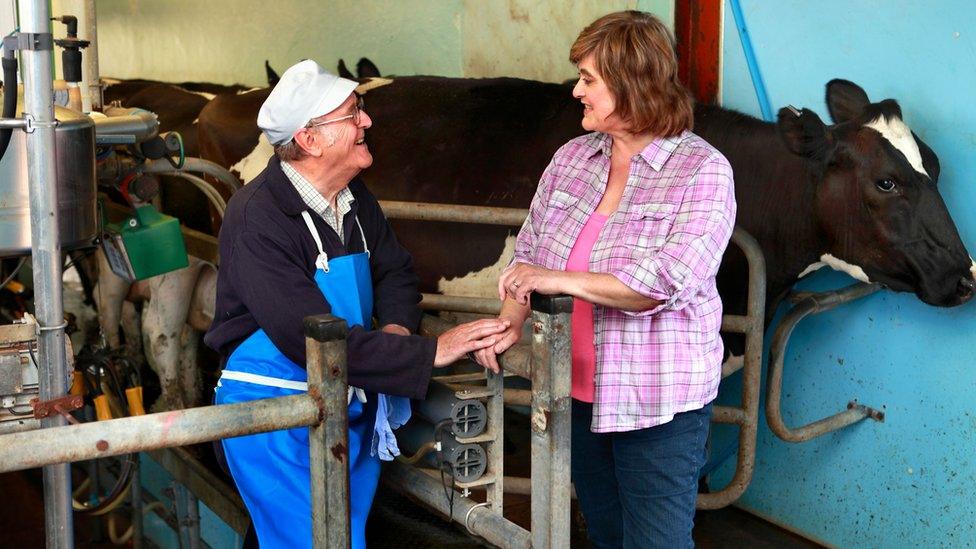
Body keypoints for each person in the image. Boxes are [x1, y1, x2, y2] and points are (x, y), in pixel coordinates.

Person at [204, 59, 509, 549]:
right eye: (353, 114)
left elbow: (395, 272)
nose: (367, 121)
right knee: (304, 537)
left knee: (341, 532)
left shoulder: (351, 196)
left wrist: (397, 330)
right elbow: (309, 338)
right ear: (310, 139)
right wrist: (433, 351)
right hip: (275, 412)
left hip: (349, 394)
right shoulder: (258, 216)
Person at [473, 11, 736, 549]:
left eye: (589, 79)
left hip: (657, 400)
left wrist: (560, 279)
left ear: (633, 83)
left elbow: (663, 283)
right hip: (575, 390)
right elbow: (530, 251)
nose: (577, 91)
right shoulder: (572, 158)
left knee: (656, 542)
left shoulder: (702, 171)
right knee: (606, 533)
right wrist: (508, 321)